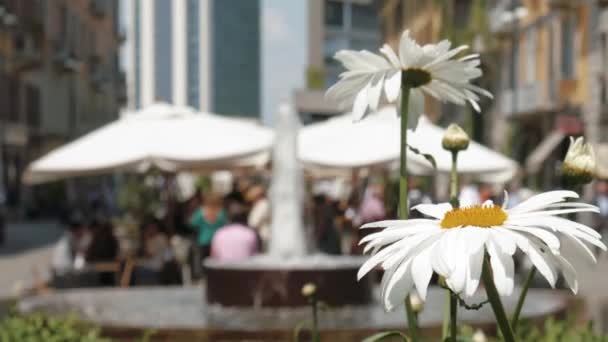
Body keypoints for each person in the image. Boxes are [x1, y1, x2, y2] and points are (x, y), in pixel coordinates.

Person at [189, 192, 227, 277]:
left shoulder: (200, 211)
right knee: (216, 262)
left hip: (203, 240)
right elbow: (226, 225)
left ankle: (204, 277)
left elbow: (193, 223)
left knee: (204, 262)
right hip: (218, 242)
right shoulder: (221, 212)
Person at [246, 185, 271, 250]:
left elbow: (254, 223)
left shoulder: (262, 204)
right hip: (262, 236)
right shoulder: (261, 204)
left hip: (263, 236)